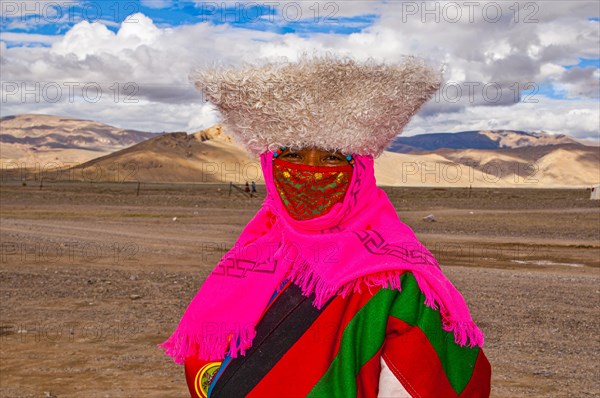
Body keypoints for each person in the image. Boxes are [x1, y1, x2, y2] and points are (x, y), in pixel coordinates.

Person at [159, 54, 491, 397]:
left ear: (359, 171)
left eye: (332, 157)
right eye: (292, 155)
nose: (311, 171)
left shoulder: (400, 278)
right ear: (270, 165)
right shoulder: (251, 253)